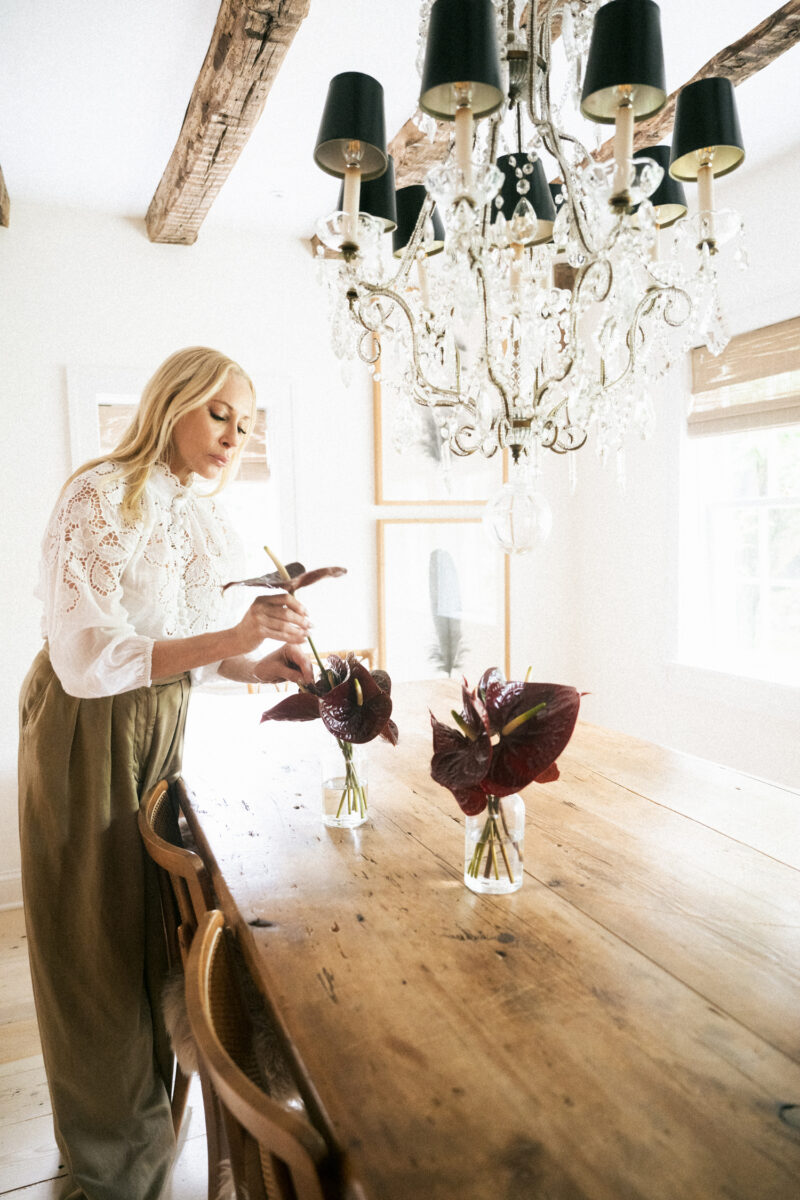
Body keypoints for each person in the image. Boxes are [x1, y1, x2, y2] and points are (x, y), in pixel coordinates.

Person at [18, 346, 314, 1200]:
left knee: (152, 934)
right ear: (174, 401)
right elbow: (86, 657)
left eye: (247, 423)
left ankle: (156, 1135)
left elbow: (188, 646)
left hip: (154, 724)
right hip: (86, 726)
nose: (235, 436)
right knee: (92, 948)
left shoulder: (199, 515)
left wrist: (261, 665)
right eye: (221, 413)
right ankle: (111, 1171)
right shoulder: (99, 494)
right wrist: (233, 637)